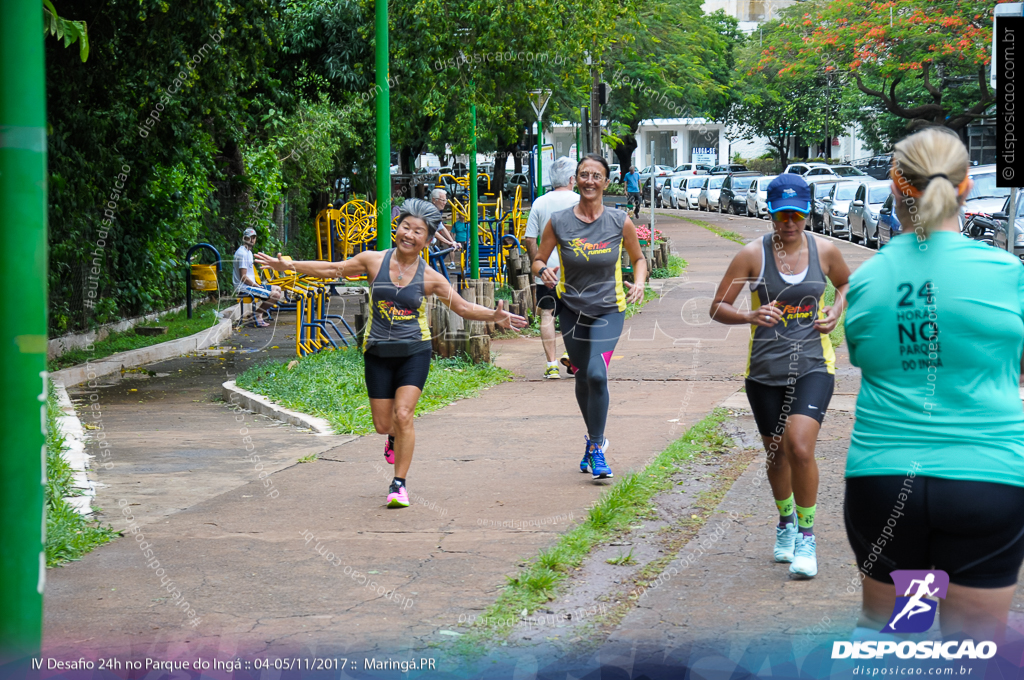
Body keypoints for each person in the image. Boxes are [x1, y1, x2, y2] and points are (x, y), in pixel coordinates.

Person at [843, 127, 1024, 642]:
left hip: (886, 479)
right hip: (986, 479)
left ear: (894, 188)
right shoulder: (1008, 272)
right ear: (966, 187)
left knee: (893, 639)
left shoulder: (867, 280)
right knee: (972, 649)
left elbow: (870, 359)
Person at [256, 199, 527, 507]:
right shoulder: (373, 261)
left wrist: (494, 315)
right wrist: (289, 265)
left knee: (404, 414)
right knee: (384, 425)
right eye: (405, 226)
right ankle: (393, 439)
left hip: (415, 351)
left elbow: (462, 307)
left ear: (427, 240)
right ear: (397, 228)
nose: (409, 234)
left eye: (418, 231)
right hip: (377, 352)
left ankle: (399, 484)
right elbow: (334, 269)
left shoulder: (431, 278)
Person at [709, 173, 851, 579]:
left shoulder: (825, 251)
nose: (789, 223)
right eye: (781, 215)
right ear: (770, 213)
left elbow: (845, 283)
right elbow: (717, 306)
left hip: (813, 365)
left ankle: (807, 537)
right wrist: (749, 315)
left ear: (807, 213)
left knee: (800, 446)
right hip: (765, 372)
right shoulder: (751, 256)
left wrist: (836, 308)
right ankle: (786, 522)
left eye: (797, 214)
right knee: (776, 454)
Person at [533, 154, 648, 480]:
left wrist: (638, 282)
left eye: (596, 176)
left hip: (609, 309)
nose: (589, 181)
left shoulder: (618, 221)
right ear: (576, 179)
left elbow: (638, 259)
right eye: (584, 175)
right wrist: (543, 272)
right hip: (571, 309)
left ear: (606, 182)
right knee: (583, 377)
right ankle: (593, 440)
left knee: (597, 374)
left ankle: (597, 446)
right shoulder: (558, 220)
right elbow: (538, 259)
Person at [524, 156, 580, 379]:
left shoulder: (539, 203)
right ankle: (573, 357)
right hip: (575, 272)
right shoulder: (580, 200)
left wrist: (539, 266)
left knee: (547, 314)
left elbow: (529, 239)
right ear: (570, 178)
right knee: (575, 314)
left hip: (546, 272)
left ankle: (551, 365)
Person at [233, 227, 284, 327]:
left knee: (278, 288)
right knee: (275, 295)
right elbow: (243, 277)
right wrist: (256, 285)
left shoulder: (249, 253)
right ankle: (256, 315)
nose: (252, 240)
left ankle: (256, 314)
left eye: (254, 237)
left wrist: (256, 285)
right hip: (243, 287)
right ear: (244, 238)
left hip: (250, 285)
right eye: (249, 237)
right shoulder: (242, 253)